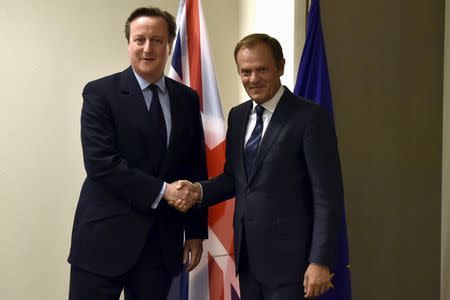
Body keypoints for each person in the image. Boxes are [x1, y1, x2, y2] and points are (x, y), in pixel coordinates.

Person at [173, 33, 344, 300]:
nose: (253, 79)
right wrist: (197, 191)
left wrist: (320, 261)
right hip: (249, 260)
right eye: (246, 71)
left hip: (293, 266)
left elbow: (327, 196)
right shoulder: (238, 116)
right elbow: (235, 178)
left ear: (281, 67)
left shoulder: (309, 117)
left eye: (262, 69)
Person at [67, 6, 208, 300]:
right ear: (129, 43)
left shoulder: (186, 99)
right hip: (102, 243)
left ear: (169, 44)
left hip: (161, 244)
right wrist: (164, 191)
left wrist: (195, 230)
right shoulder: (100, 93)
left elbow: (194, 165)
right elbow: (101, 165)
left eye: (157, 40)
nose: (148, 48)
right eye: (140, 39)